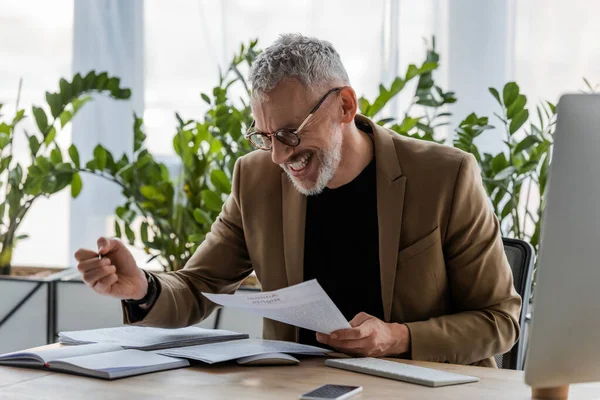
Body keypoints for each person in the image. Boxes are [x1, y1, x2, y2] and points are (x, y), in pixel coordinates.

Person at [75, 34, 521, 367]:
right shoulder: (256, 179)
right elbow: (197, 287)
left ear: (346, 106)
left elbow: (501, 321)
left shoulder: (445, 175)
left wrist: (398, 337)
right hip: (299, 389)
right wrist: (142, 289)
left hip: (422, 388)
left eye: (290, 132)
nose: (279, 155)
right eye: (264, 136)